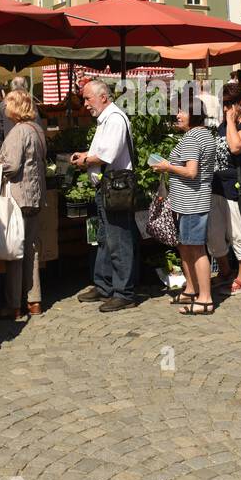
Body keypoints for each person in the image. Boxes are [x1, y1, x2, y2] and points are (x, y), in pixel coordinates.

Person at [69, 79, 137, 312]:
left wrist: (85, 160)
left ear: (103, 97)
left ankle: (123, 292)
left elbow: (106, 156)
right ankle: (105, 285)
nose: (85, 104)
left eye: (87, 98)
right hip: (106, 187)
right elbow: (102, 150)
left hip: (115, 188)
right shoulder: (105, 119)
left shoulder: (115, 119)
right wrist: (85, 154)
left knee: (118, 239)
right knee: (105, 238)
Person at [0, 89, 48, 319]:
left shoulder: (18, 131)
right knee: (31, 249)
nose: (5, 109)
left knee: (15, 252)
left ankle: (13, 306)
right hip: (36, 195)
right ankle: (34, 301)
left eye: (8, 104)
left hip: (18, 197)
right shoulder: (37, 129)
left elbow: (11, 167)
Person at [153, 95, 216, 316]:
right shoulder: (205, 134)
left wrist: (166, 167)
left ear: (194, 114)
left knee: (196, 249)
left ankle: (205, 299)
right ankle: (191, 289)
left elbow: (191, 171)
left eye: (182, 111)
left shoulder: (191, 138)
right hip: (194, 200)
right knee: (187, 246)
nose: (177, 115)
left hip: (191, 202)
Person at [208, 83, 241, 295]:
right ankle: (225, 270)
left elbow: (236, 146)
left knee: (238, 235)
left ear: (240, 103)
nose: (226, 108)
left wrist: (231, 120)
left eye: (230, 103)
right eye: (224, 103)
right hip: (217, 187)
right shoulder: (223, 125)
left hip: (238, 189)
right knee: (214, 234)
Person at [0, 76, 30, 151]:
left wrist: (0, 152)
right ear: (25, 86)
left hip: (9, 148)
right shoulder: (31, 103)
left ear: (12, 87)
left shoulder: (3, 104)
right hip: (29, 147)